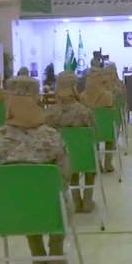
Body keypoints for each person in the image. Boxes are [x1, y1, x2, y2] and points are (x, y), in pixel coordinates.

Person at [0, 76, 71, 264]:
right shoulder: (51, 136)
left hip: (6, 214)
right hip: (51, 211)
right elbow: (64, 178)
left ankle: (37, 253)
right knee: (54, 197)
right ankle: (56, 252)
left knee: (21, 196)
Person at [45, 71, 95, 213]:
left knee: (68, 156)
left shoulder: (49, 114)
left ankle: (75, 199)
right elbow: (94, 133)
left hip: (62, 163)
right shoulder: (84, 111)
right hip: (85, 159)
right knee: (87, 156)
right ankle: (88, 199)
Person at [80, 69, 116, 172]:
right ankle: (108, 162)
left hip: (90, 132)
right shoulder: (108, 95)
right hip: (107, 131)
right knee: (110, 135)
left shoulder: (82, 97)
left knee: (93, 140)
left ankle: (97, 163)